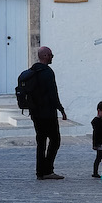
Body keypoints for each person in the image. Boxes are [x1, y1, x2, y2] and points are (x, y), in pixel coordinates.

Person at [25, 46, 67, 180]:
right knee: (55, 140)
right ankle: (48, 170)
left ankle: (40, 172)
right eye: (50, 55)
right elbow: (53, 93)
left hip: (35, 113)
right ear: (44, 56)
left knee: (41, 142)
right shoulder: (48, 72)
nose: (52, 57)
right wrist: (61, 109)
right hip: (48, 112)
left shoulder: (32, 71)